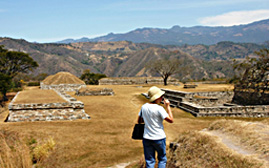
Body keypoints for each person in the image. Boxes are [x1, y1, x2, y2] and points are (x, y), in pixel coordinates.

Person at [137, 86, 173, 168]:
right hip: (159, 137)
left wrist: (148, 120)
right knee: (162, 159)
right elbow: (171, 120)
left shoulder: (144, 107)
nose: (162, 98)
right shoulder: (159, 108)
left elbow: (139, 121)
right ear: (157, 97)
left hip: (147, 137)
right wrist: (168, 107)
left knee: (149, 161)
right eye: (161, 97)